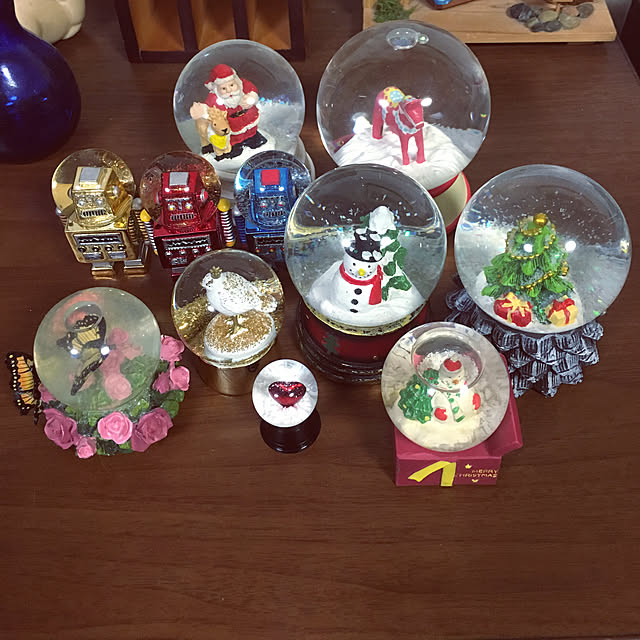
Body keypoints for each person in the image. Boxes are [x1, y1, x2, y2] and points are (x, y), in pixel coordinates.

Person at [190, 64, 267, 157]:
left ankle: (252, 138)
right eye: (223, 88)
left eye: (231, 85)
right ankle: (235, 146)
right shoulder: (214, 97)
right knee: (234, 138)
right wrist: (202, 111)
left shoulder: (243, 85)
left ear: (236, 81)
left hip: (248, 116)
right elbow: (210, 108)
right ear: (216, 89)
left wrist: (251, 97)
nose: (229, 90)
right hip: (232, 123)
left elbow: (252, 90)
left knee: (251, 130)